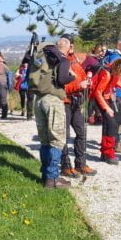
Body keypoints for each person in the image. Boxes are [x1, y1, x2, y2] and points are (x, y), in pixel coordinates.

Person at [32, 38, 75, 188]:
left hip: (39, 99)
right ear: (68, 47)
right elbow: (62, 79)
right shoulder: (62, 59)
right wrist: (73, 77)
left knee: (45, 140)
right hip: (53, 100)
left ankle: (45, 175)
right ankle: (53, 179)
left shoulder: (44, 55)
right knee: (56, 140)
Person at [60, 35, 97, 178]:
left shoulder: (74, 59)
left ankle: (80, 164)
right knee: (64, 135)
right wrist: (78, 86)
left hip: (76, 102)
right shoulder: (60, 61)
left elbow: (81, 75)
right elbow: (61, 86)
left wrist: (88, 81)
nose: (73, 47)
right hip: (64, 101)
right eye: (70, 44)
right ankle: (65, 166)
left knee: (81, 132)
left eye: (73, 44)